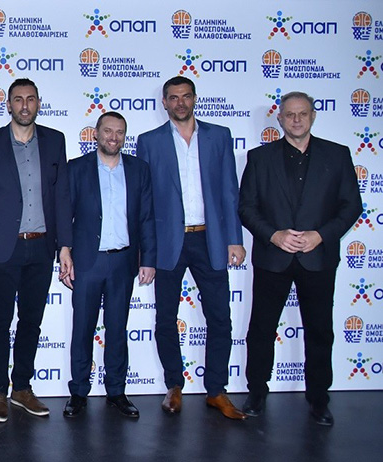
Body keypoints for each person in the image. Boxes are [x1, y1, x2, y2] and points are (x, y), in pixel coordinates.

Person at [238, 91, 362, 426]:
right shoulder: (259, 158)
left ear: (312, 116)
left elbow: (351, 205)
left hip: (317, 257)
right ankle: (256, 392)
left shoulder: (337, 155)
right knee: (261, 329)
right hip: (272, 257)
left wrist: (320, 235)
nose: (296, 120)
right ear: (279, 119)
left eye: (302, 114)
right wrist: (274, 235)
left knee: (320, 331)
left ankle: (319, 399)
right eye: (290, 114)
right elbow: (246, 207)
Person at [136, 76, 246, 420]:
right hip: (168, 241)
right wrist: (146, 250)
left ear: (195, 99)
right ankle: (174, 385)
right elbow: (145, 201)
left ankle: (216, 390)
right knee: (166, 318)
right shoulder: (149, 142)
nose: (180, 102)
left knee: (220, 317)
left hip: (210, 239)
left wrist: (235, 239)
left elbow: (229, 190)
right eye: (173, 97)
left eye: (185, 96)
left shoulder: (219, 136)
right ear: (164, 103)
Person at [0, 78, 73, 422]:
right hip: (2, 248)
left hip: (42, 247)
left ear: (39, 102)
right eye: (18, 99)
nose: (24, 105)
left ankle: (22, 388)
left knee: (31, 321)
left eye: (30, 99)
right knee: (0, 322)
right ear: (9, 105)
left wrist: (65, 246)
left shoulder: (55, 141)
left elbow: (61, 196)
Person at [62, 112, 156, 419]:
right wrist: (64, 253)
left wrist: (148, 260)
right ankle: (78, 392)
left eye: (119, 132)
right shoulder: (76, 168)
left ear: (124, 136)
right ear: (96, 134)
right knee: (83, 329)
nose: (113, 137)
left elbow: (146, 218)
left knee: (117, 330)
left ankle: (116, 391)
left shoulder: (139, 170)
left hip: (123, 262)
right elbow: (64, 215)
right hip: (87, 262)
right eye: (107, 131)